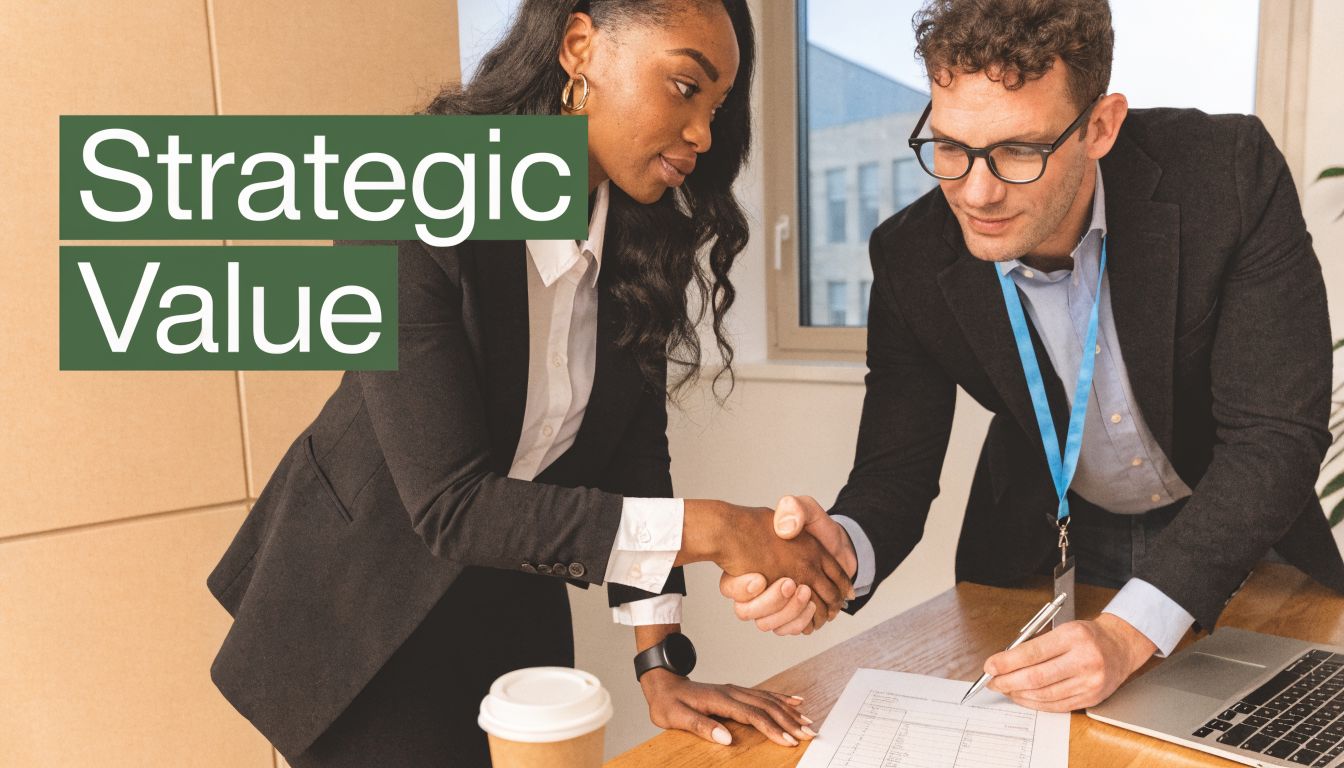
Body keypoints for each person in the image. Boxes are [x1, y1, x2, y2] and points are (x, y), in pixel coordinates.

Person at [205, 1, 851, 765]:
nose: (704, 134)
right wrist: (716, 528)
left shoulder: (640, 237)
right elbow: (451, 506)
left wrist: (657, 663)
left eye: (716, 108)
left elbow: (634, 454)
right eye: (684, 87)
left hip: (516, 596)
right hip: (364, 606)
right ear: (581, 48)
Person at [722, 0, 1344, 713]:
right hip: (1049, 543)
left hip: (1239, 531)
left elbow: (1275, 435)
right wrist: (838, 556)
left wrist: (1128, 630)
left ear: (1101, 127)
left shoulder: (1226, 175)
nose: (975, 193)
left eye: (1020, 151)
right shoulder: (911, 255)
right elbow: (894, 472)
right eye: (950, 147)